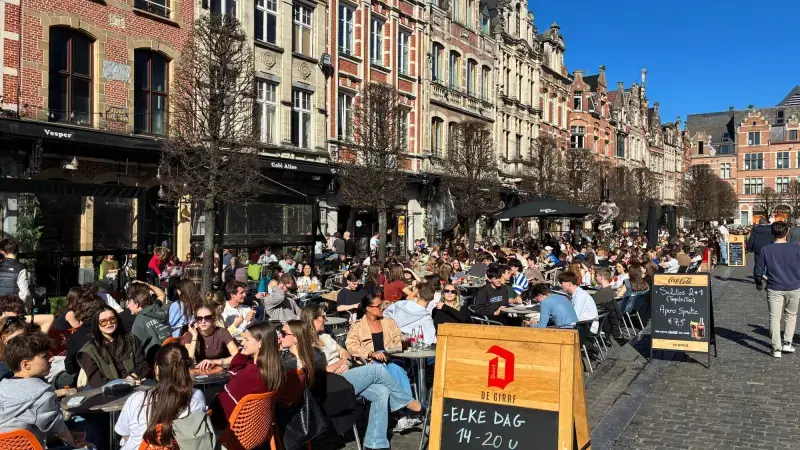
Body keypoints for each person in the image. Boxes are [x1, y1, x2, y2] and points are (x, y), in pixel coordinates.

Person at [300, 305, 424, 450]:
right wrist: (340, 363)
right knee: (377, 369)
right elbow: (322, 370)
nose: (326, 319)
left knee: (382, 391)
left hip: (346, 374)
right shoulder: (306, 344)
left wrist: (345, 362)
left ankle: (375, 443)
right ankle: (407, 402)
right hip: (331, 383)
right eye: (323, 316)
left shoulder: (325, 337)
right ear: (313, 319)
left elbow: (345, 352)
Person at [114, 344, 207, 450]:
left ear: (157, 368)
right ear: (186, 368)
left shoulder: (136, 399)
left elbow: (124, 434)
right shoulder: (196, 397)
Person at [0, 333, 85, 448]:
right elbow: (57, 427)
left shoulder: (3, 387)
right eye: (45, 356)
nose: (51, 358)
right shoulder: (41, 394)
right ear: (26, 364)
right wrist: (74, 442)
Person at [211, 322, 284, 424]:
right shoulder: (276, 368)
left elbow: (225, 400)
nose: (242, 343)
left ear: (261, 343)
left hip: (237, 427)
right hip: (260, 424)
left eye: (247, 339)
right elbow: (236, 373)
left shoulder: (252, 372)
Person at [346, 295, 412, 395]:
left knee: (397, 369)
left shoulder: (389, 322)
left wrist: (398, 345)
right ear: (368, 308)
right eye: (379, 306)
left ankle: (407, 401)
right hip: (371, 362)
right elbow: (351, 345)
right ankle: (401, 401)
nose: (382, 308)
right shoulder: (358, 326)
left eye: (382, 305)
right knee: (384, 371)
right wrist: (371, 353)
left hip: (391, 358)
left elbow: (398, 338)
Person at [755, 221, 800, 358]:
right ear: (787, 233)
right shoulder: (796, 248)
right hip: (794, 286)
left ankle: (776, 348)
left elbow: (758, 270)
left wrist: (759, 283)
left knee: (774, 318)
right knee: (791, 315)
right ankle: (787, 342)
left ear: (772, 233)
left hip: (774, 287)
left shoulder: (766, 249)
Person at [78, 306, 150, 388]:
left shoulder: (131, 339)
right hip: (108, 390)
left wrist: (132, 377)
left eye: (112, 319)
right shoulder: (90, 350)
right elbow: (96, 381)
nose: (109, 323)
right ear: (97, 325)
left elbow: (143, 365)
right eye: (103, 322)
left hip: (135, 385)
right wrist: (122, 383)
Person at [127, 283, 172, 361]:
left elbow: (135, 348)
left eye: (129, 302)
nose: (127, 306)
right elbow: (161, 295)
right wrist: (148, 285)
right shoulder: (157, 308)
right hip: (171, 351)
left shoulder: (139, 322)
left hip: (156, 359)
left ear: (137, 304)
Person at [592, 268, 624, 339]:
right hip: (608, 322)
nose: (595, 278)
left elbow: (590, 305)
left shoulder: (600, 295)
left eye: (596, 276)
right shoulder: (611, 292)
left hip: (596, 321)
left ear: (601, 277)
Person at [0, 239, 31, 306]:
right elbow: (24, 293)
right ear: (17, 251)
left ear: (2, 251)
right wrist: (25, 306)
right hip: (12, 307)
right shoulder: (21, 269)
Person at [748, 217, 774, 290]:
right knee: (767, 263)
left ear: (759, 222)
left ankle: (757, 276)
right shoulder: (769, 229)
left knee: (757, 263)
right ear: (765, 222)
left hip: (757, 249)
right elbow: (772, 239)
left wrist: (749, 249)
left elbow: (751, 240)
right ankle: (765, 277)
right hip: (767, 248)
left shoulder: (755, 229)